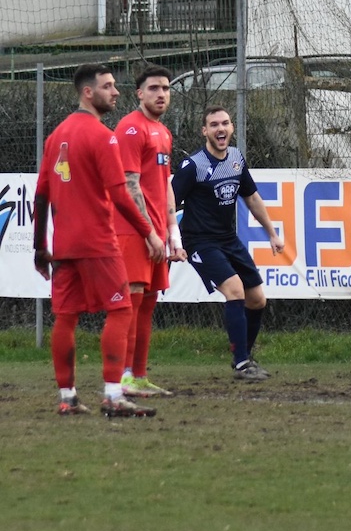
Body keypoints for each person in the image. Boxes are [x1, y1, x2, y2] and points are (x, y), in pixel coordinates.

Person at [33, 63, 164, 417]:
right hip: (99, 244)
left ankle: (67, 397)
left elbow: (41, 196)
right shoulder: (103, 135)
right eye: (108, 86)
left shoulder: (55, 135)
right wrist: (148, 232)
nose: (116, 91)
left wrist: (39, 248)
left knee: (65, 317)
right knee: (121, 310)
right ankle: (112, 394)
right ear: (87, 92)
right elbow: (121, 195)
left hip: (63, 246)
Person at [171, 106, 285, 381]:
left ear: (232, 127)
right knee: (235, 290)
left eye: (225, 123)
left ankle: (245, 356)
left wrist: (272, 232)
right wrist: (172, 241)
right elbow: (168, 205)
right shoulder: (193, 166)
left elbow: (252, 197)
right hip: (199, 241)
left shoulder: (235, 158)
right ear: (205, 131)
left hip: (227, 239)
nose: (220, 129)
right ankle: (241, 363)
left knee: (257, 299)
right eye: (214, 125)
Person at [114, 64, 187, 399]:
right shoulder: (131, 128)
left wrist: (173, 234)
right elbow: (130, 186)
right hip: (133, 232)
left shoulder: (163, 132)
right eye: (154, 88)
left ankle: (139, 375)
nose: (161, 94)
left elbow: (165, 185)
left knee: (148, 303)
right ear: (139, 93)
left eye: (166, 88)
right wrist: (148, 232)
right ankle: (123, 375)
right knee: (131, 301)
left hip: (155, 232)